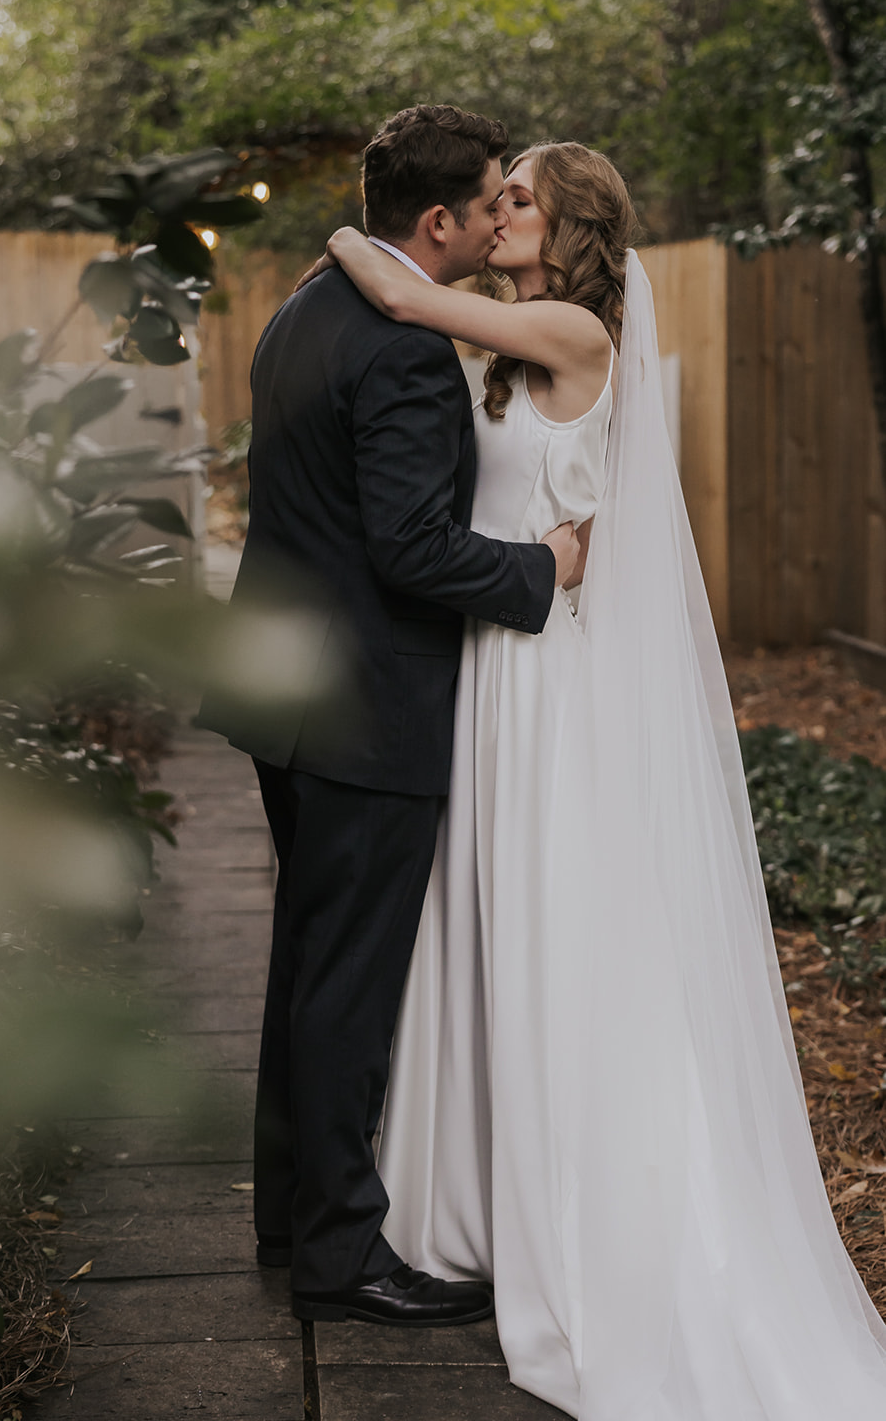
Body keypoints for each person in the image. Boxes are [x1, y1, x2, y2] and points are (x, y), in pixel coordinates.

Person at [311, 141, 886, 1418]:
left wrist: (351, 237)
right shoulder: (512, 339)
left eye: (517, 196)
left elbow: (400, 294)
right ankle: (477, 1199)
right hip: (492, 671)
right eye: (497, 191)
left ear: (569, 225)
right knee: (484, 926)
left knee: (559, 932)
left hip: (549, 684)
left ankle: (601, 1223)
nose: (496, 209)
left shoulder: (571, 328)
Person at [197, 105, 580, 1327]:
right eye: (483, 205)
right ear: (437, 222)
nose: (492, 221)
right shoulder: (407, 349)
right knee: (349, 984)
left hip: (285, 689)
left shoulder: (302, 310)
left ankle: (287, 1215)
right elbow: (411, 549)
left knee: (305, 963)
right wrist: (540, 575)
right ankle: (341, 1257)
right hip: (367, 707)